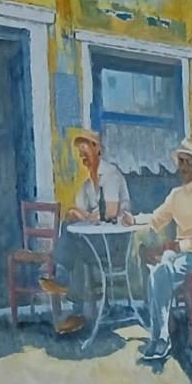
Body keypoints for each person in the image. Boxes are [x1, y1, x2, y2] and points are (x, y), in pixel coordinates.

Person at [42, 128, 133, 333]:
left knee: (79, 243)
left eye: (86, 151)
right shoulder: (86, 186)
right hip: (94, 242)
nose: (82, 156)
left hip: (114, 243)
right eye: (80, 153)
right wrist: (76, 214)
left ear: (97, 149)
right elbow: (78, 215)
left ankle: (67, 289)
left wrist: (82, 215)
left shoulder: (110, 174)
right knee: (71, 232)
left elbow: (110, 212)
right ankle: (77, 310)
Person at [139, 139, 192, 362]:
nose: (183, 167)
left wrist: (180, 246)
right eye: (180, 162)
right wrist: (132, 219)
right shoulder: (175, 195)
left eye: (187, 162)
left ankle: (159, 338)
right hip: (176, 254)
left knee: (160, 271)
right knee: (159, 271)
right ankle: (159, 338)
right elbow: (156, 218)